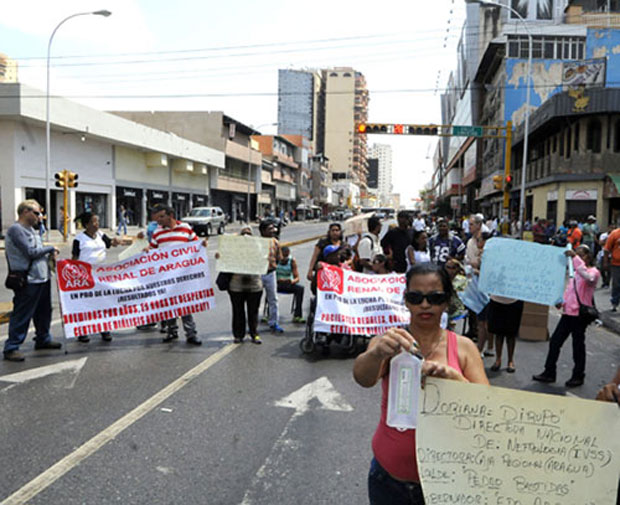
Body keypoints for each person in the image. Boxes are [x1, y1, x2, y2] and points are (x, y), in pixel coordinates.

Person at [353, 262, 488, 505]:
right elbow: (363, 378)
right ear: (406, 300)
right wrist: (376, 354)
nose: (425, 305)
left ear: (446, 301)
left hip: (446, 482)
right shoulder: (390, 340)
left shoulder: (464, 348)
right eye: (416, 297)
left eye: (434, 298)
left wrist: (455, 379)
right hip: (388, 481)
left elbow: (487, 409)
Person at [533, 245, 600, 387]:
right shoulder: (575, 273)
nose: (576, 258)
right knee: (555, 342)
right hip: (568, 313)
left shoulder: (593, 272)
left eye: (580, 255)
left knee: (578, 347)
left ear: (587, 257)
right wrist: (562, 302)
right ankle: (549, 372)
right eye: (576, 255)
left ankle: (578, 375)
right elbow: (570, 292)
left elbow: (588, 278)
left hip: (579, 316)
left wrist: (575, 258)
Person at [3, 200, 61, 362]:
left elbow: (37, 251)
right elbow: (30, 252)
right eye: (36, 213)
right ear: (25, 212)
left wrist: (50, 254)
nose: (40, 217)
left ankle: (43, 339)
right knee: (22, 314)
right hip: (28, 280)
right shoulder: (17, 229)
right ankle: (11, 347)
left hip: (41, 278)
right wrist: (50, 248)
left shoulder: (32, 230)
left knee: (44, 312)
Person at [148, 205, 205, 345]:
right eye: (157, 218)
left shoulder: (185, 228)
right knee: (169, 305)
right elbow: (152, 250)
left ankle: (191, 334)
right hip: (166, 276)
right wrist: (147, 250)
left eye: (161, 217)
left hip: (183, 274)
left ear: (171, 215)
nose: (159, 221)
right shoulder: (157, 233)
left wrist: (203, 244)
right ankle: (171, 331)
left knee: (185, 304)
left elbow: (196, 244)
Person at [72, 212, 121, 342]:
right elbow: (74, 259)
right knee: (85, 304)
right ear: (87, 224)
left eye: (98, 221)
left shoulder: (100, 235)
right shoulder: (79, 239)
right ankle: (82, 331)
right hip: (85, 276)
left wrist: (115, 241)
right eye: (94, 222)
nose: (97, 224)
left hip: (100, 275)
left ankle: (104, 329)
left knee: (102, 302)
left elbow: (110, 243)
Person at [227, 227, 263, 344]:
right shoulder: (233, 249)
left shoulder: (258, 247)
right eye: (244, 234)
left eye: (248, 234)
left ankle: (254, 334)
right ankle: (238, 335)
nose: (246, 237)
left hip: (254, 285)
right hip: (236, 285)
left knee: (253, 312)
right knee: (238, 312)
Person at [487, 295, 524, 373]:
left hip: (514, 301)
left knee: (511, 334)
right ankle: (498, 359)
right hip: (497, 300)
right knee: (498, 333)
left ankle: (510, 361)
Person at [259, 219, 283, 333]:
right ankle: (253, 325)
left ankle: (274, 322)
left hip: (270, 273)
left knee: (273, 299)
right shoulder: (256, 242)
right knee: (255, 301)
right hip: (258, 274)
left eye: (273, 228)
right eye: (270, 229)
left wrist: (273, 265)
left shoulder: (275, 242)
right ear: (263, 231)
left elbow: (279, 258)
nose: (273, 231)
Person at [276, 246, 305, 324]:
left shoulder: (292, 261)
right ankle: (269, 314)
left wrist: (291, 281)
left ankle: (298, 315)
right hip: (277, 284)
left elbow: (297, 278)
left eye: (287, 256)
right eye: (283, 256)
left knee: (300, 289)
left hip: (288, 284)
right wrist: (278, 280)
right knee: (270, 288)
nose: (285, 258)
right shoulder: (275, 261)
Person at [604, 225, 620, 311]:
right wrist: (605, 262)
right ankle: (615, 302)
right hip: (616, 264)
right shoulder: (615, 233)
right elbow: (607, 249)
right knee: (616, 284)